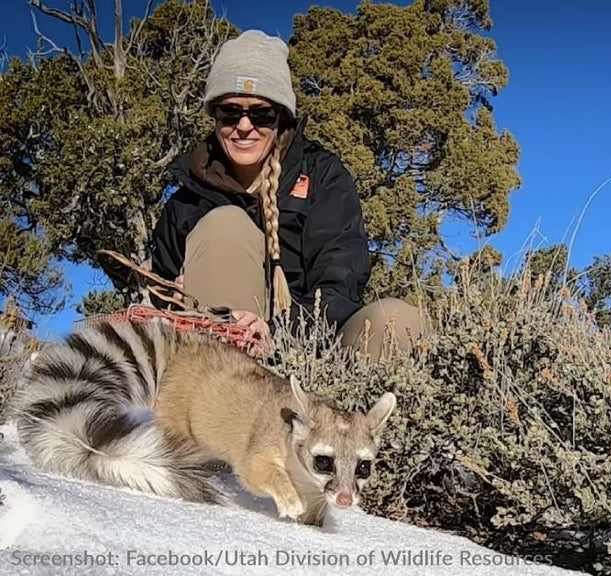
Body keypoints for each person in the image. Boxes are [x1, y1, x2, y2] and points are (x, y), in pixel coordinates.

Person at [151, 30, 425, 361]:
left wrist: (278, 332)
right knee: (225, 226)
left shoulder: (323, 177)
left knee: (397, 321)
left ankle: (352, 412)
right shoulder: (186, 203)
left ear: (281, 117)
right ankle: (228, 406)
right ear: (215, 117)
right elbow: (157, 294)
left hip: (316, 351)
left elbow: (340, 284)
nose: (244, 126)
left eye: (261, 113)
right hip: (225, 367)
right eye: (230, 112)